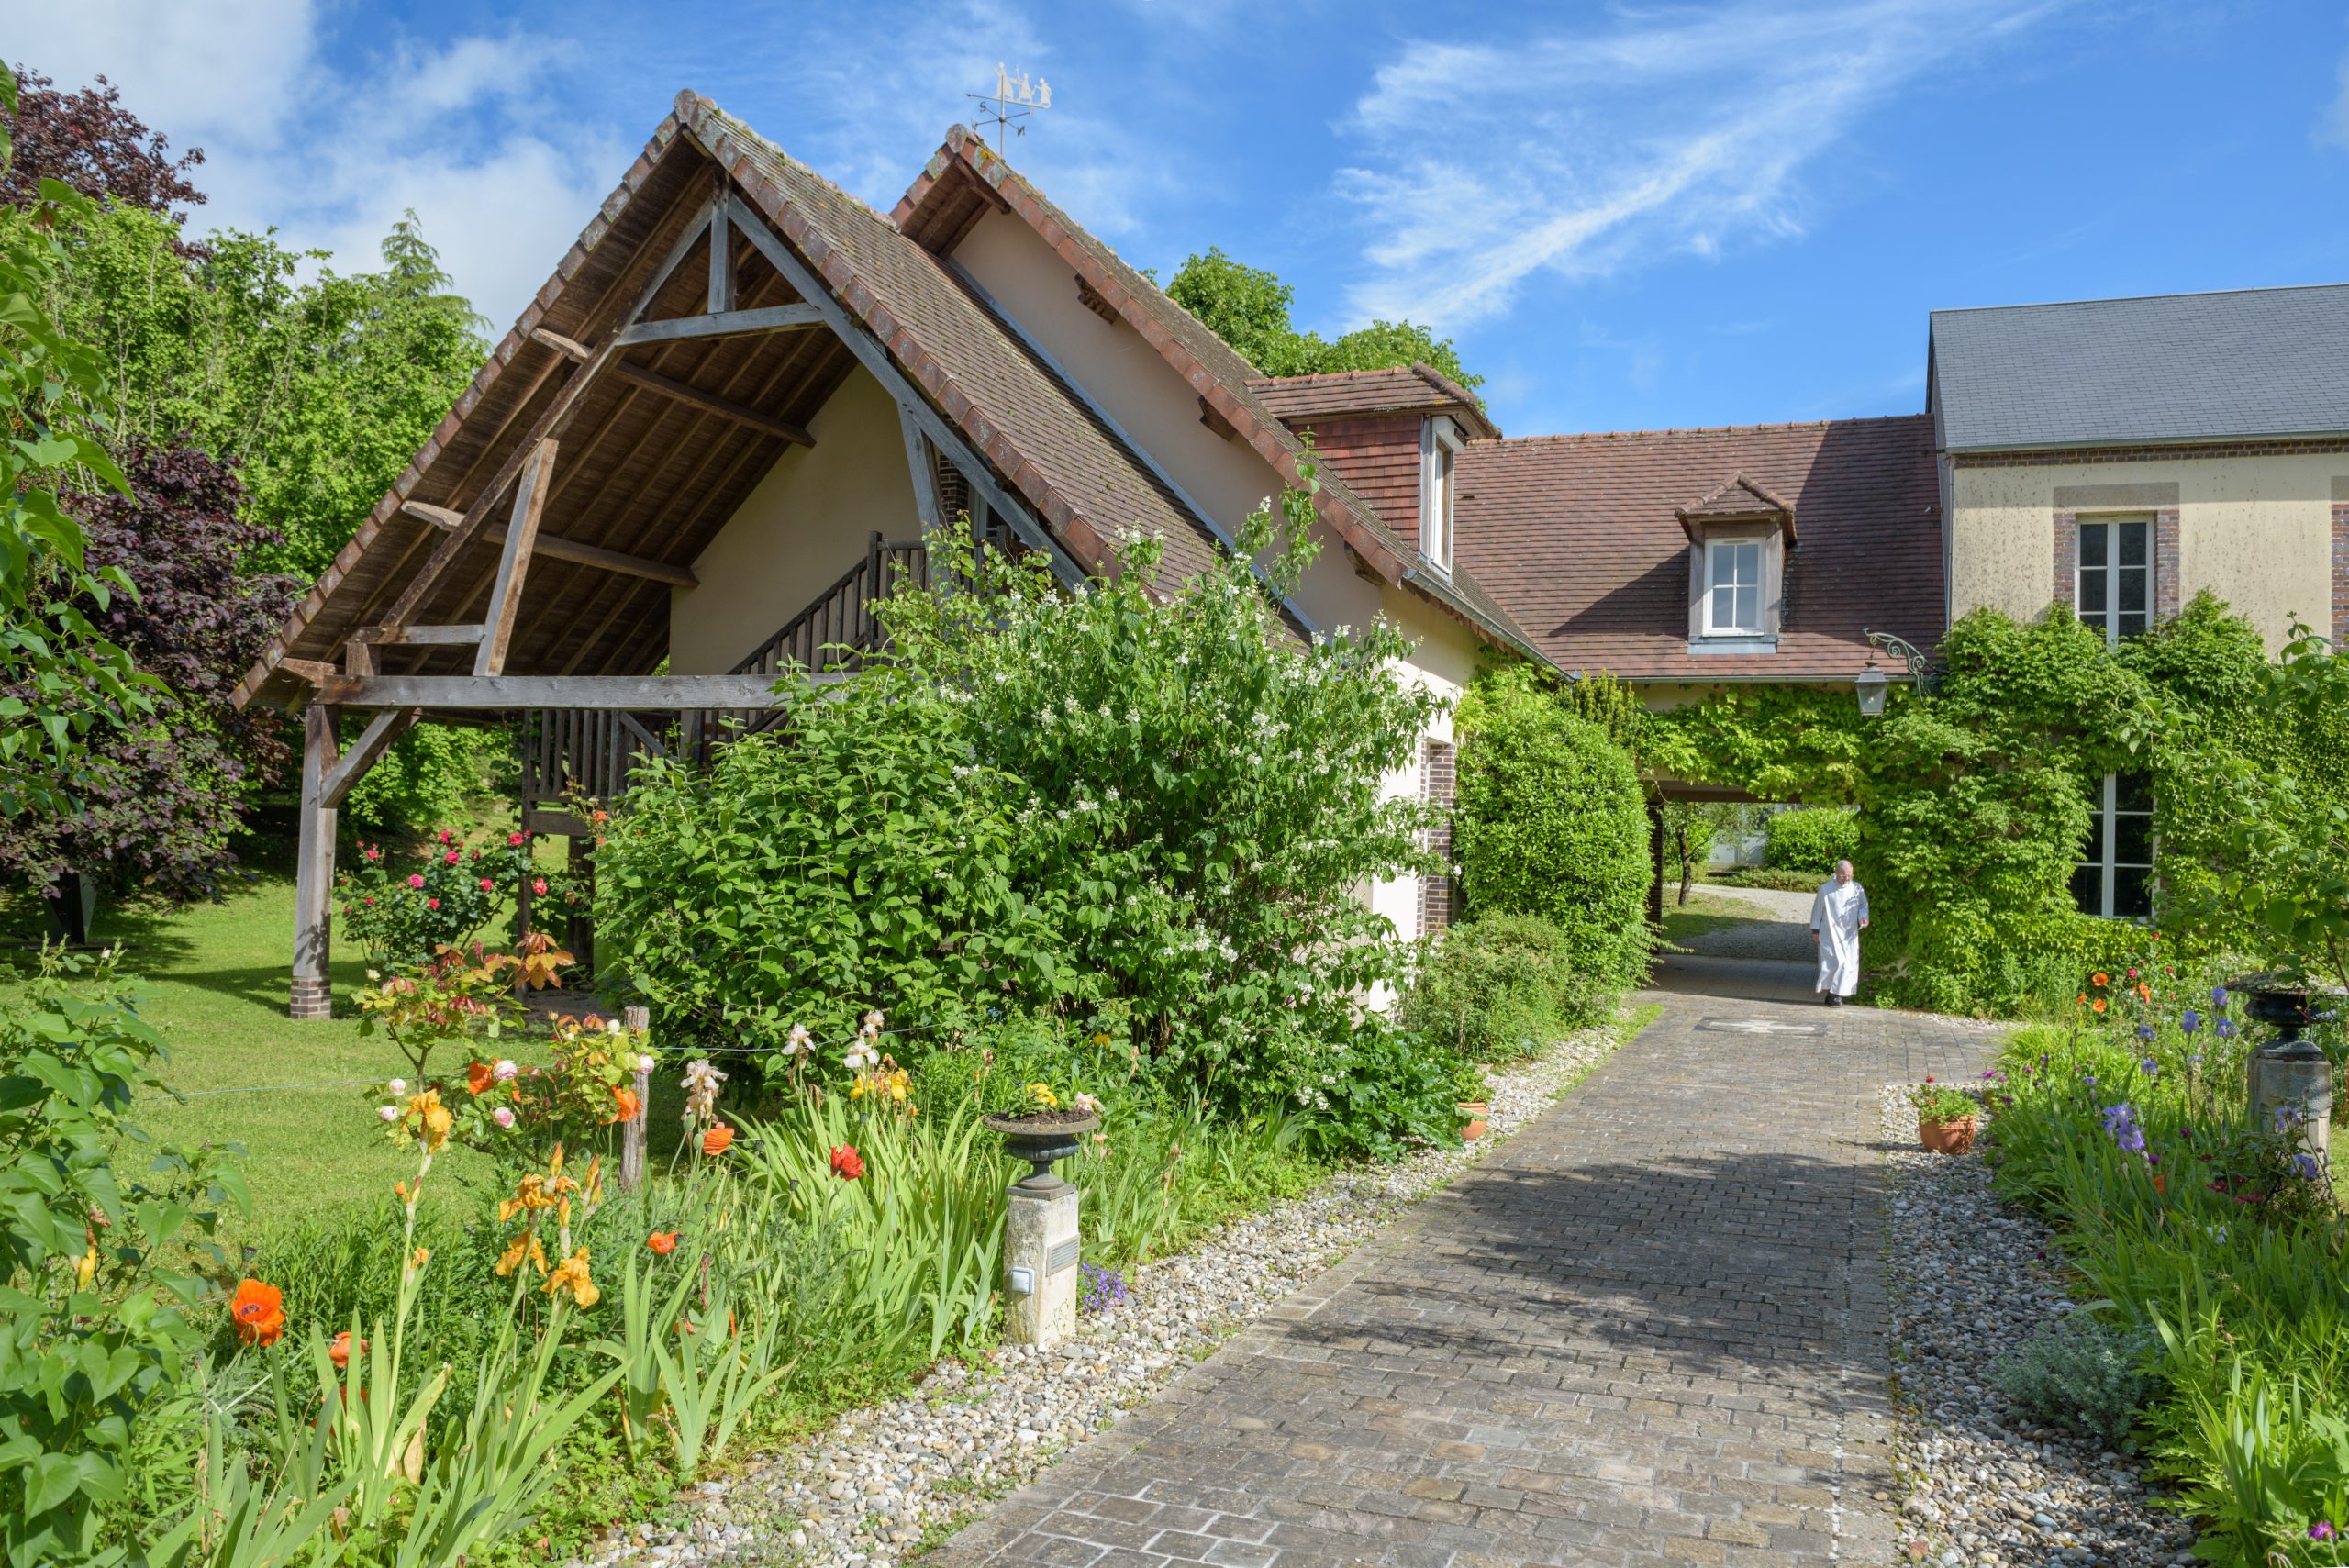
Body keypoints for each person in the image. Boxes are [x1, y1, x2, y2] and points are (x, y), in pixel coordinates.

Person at [1810, 859, 1869, 1006]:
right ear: (1836, 872)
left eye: (1850, 876)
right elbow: (1817, 910)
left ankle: (1833, 995)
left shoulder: (1857, 888)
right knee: (1834, 963)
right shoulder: (1826, 889)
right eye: (1844, 876)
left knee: (1847, 963)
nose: (1847, 879)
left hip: (1849, 933)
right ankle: (1834, 994)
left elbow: (1863, 905)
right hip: (1829, 932)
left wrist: (1863, 917)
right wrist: (1815, 931)